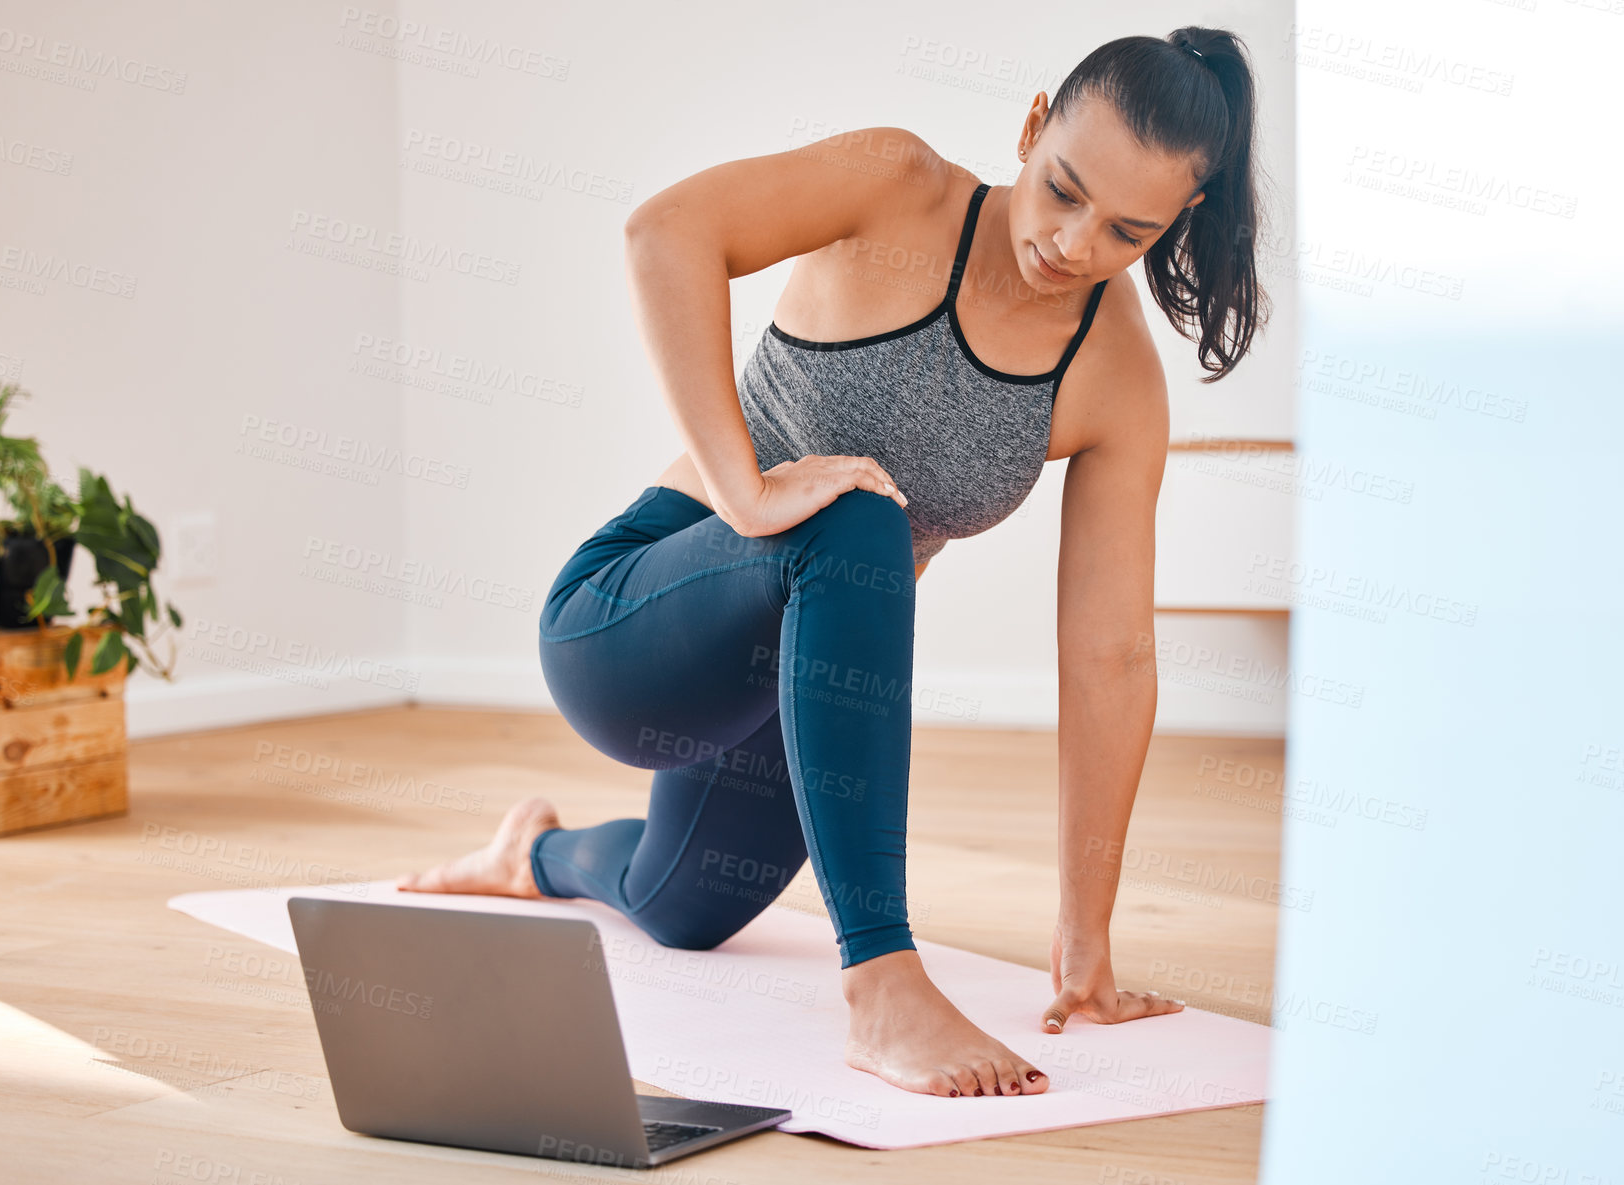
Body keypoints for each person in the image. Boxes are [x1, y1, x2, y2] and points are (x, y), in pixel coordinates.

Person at [397, 27, 1268, 1100]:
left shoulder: (1114, 373)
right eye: (1063, 191)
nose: (1073, 243)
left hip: (786, 698)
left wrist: (1085, 944)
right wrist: (746, 490)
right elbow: (665, 231)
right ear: (1034, 124)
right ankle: (883, 981)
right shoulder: (896, 186)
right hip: (628, 626)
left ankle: (528, 855)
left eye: (1127, 230)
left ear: (1177, 220)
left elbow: (1111, 658)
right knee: (863, 514)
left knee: (678, 906)